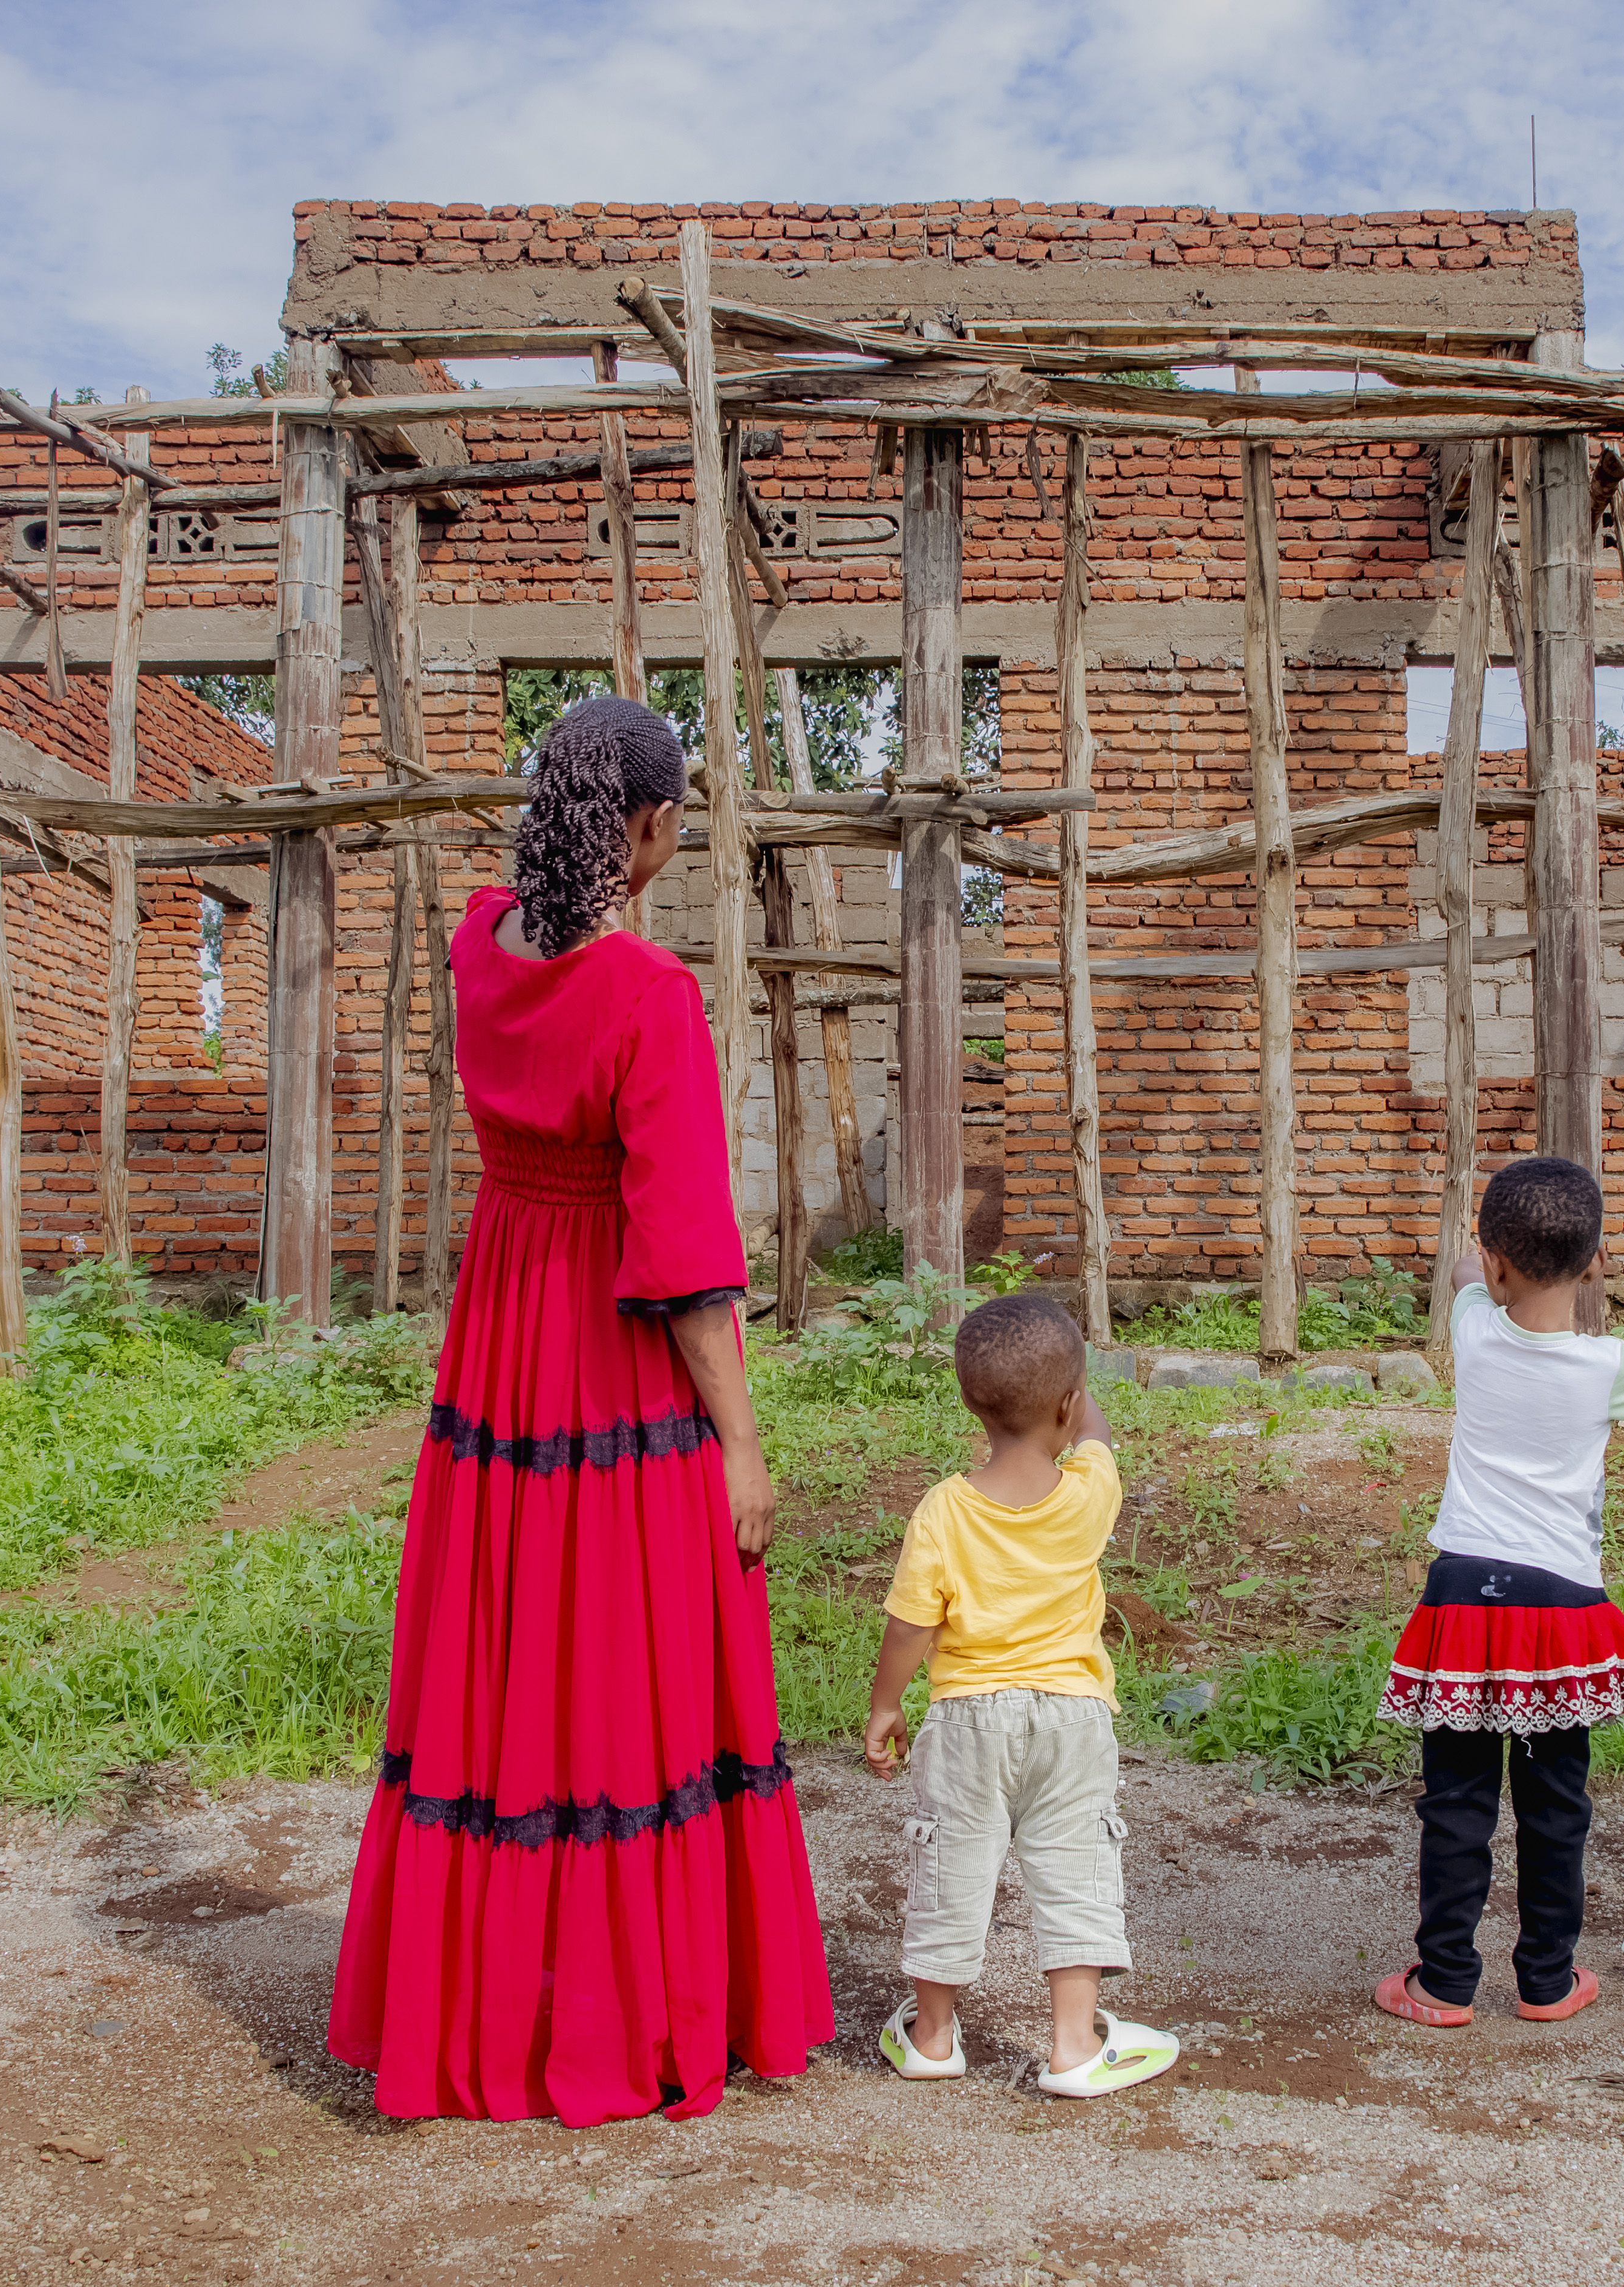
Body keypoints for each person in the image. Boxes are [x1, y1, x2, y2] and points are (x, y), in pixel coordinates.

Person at [325, 696, 835, 2125]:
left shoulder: (478, 940)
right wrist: (742, 1440)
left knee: (502, 1666)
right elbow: (680, 1258)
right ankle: (620, 2018)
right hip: (611, 1352)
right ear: (656, 828)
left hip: (503, 1339)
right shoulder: (649, 999)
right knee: (631, 1667)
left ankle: (487, 2012)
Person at [1374, 1157, 1624, 2028]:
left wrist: (1479, 1257)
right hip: (1559, 1610)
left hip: (1462, 1602)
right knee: (1557, 1806)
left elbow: (1463, 1272)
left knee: (1457, 1805)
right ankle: (1546, 1981)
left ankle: (1443, 1983)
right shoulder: (1608, 1367)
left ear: (1498, 1263)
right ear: (1598, 1263)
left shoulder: (1476, 1328)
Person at [863, 1292, 1180, 2099]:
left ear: (972, 1404)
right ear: (1070, 1405)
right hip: (1073, 1719)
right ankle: (1075, 2045)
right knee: (1075, 1864)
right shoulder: (1087, 1496)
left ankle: (933, 2037)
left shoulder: (944, 1511)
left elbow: (907, 1625)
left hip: (970, 1718)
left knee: (954, 1866)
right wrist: (1076, 1396)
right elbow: (1099, 1438)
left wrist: (886, 1706)